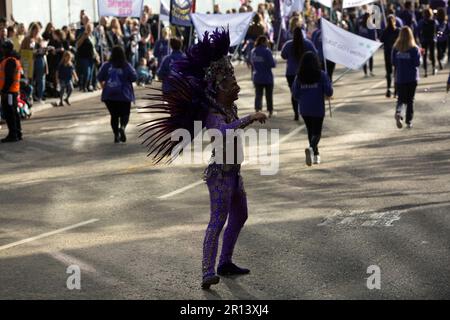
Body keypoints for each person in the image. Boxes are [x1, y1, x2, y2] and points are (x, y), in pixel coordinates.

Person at [140, 30, 267, 290]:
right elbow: (222, 132)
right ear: (217, 87)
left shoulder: (228, 107)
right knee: (217, 221)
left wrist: (244, 119)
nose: (236, 84)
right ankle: (207, 271)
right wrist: (249, 119)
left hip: (234, 173)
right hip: (220, 176)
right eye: (230, 80)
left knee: (241, 215)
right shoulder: (212, 113)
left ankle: (225, 262)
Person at [292, 52, 333, 166]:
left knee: (310, 131)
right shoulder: (321, 75)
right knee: (317, 133)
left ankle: (315, 155)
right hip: (317, 107)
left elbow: (295, 94)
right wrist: (329, 85)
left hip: (304, 108)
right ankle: (311, 149)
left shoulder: (299, 76)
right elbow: (329, 92)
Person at [97, 46, 137, 143]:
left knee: (114, 116)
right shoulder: (126, 65)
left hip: (109, 95)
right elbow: (134, 77)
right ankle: (122, 127)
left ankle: (116, 135)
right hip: (124, 94)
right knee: (125, 114)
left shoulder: (106, 65)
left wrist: (104, 84)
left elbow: (99, 77)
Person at [282, 27, 318, 121]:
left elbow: (283, 55)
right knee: (306, 92)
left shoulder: (288, 44)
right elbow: (315, 54)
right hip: (305, 72)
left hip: (291, 73)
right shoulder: (308, 43)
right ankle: (306, 111)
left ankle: (296, 113)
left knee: (294, 93)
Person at [392, 26, 421, 129]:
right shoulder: (414, 49)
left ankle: (398, 112)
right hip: (412, 77)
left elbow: (393, 63)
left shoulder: (396, 48)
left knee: (400, 99)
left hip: (400, 77)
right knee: (410, 100)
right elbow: (417, 63)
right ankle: (408, 121)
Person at [0, 41, 23, 143]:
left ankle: (13, 134)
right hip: (13, 91)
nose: (2, 50)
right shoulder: (14, 60)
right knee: (14, 112)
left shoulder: (10, 61)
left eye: (4, 48)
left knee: (10, 113)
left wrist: (4, 91)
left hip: (9, 92)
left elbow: (9, 78)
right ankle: (17, 133)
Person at [251, 35, 276, 117]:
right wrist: (274, 60)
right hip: (267, 77)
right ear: (263, 42)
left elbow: (251, 62)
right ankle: (270, 110)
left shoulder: (253, 51)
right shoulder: (267, 51)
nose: (267, 42)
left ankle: (257, 109)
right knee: (269, 95)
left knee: (258, 95)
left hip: (257, 76)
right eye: (266, 41)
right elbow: (272, 64)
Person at [381, 15, 400, 98]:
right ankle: (396, 90)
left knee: (388, 72)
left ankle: (388, 89)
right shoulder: (398, 31)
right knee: (396, 72)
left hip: (387, 53)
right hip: (396, 53)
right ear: (394, 21)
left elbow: (381, 40)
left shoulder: (385, 31)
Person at [76, 23, 98, 92]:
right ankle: (84, 86)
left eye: (90, 28)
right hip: (84, 57)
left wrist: (97, 55)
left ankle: (89, 86)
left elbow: (94, 47)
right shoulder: (82, 35)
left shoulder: (93, 36)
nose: (89, 29)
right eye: (88, 27)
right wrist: (83, 37)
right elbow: (77, 45)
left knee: (91, 72)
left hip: (92, 57)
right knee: (87, 72)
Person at [417, 8, 437, 77]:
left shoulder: (421, 22)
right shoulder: (434, 21)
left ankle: (425, 71)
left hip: (423, 41)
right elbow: (437, 31)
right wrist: (436, 37)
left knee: (424, 56)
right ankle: (434, 68)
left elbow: (418, 31)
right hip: (432, 40)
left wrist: (419, 39)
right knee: (432, 54)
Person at [358, 13, 377, 77]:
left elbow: (359, 34)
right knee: (370, 58)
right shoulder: (371, 25)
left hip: (362, 44)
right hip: (369, 44)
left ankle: (365, 73)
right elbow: (373, 36)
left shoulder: (361, 25)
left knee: (364, 58)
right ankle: (370, 71)